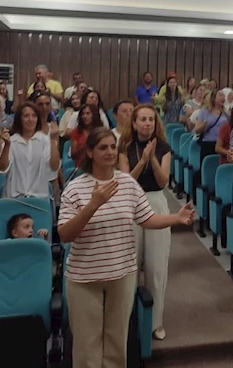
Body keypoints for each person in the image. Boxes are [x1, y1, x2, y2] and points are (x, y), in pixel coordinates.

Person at [57, 128, 194, 368]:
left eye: (113, 147)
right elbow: (65, 234)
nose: (110, 152)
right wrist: (93, 204)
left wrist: (176, 218)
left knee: (117, 345)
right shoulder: (76, 188)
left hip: (122, 276)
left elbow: (147, 218)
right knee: (87, 348)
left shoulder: (127, 183)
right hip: (85, 279)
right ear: (90, 152)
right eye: (103, 148)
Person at [118, 104, 172, 341]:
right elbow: (126, 181)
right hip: (131, 202)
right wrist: (142, 161)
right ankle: (128, 321)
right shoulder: (125, 147)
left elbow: (163, 182)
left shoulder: (164, 148)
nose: (147, 123)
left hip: (155, 202)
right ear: (134, 123)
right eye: (143, 119)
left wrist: (153, 160)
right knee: (130, 266)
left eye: (151, 119)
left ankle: (155, 322)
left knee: (156, 266)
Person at [0, 102, 60, 199]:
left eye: (34, 116)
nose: (30, 119)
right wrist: (7, 145)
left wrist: (53, 140)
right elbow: (2, 168)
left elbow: (54, 167)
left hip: (39, 198)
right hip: (14, 198)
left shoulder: (45, 140)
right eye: (26, 116)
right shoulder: (11, 141)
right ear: (20, 119)